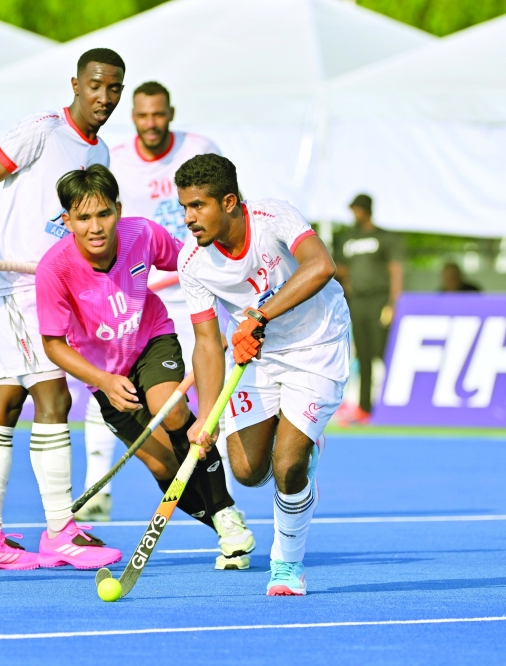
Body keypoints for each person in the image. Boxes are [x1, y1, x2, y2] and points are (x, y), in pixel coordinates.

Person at [0, 48, 126, 571]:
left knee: (4, 405)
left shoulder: (102, 158)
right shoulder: (43, 130)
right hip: (10, 286)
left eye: (114, 88)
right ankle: (59, 532)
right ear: (75, 83)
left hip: (47, 292)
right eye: (96, 85)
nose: (104, 97)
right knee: (53, 396)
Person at [37, 165, 255, 570]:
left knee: (171, 409)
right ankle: (226, 528)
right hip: (104, 374)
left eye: (104, 214)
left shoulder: (143, 234)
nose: (95, 227)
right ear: (66, 221)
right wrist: (101, 379)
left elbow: (194, 261)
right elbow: (52, 344)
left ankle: (224, 510)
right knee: (162, 466)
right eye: (83, 218)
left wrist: (234, 311)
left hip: (151, 340)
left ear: (118, 210)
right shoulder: (54, 269)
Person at [176, 154, 351, 596]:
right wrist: (206, 416)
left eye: (198, 206)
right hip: (258, 355)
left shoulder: (274, 218)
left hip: (318, 344)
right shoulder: (192, 261)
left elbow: (321, 266)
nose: (188, 218)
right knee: (249, 472)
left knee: (289, 465)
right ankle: (297, 434)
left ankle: (287, 567)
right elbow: (206, 341)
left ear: (229, 202)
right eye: (184, 207)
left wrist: (258, 314)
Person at [77, 80, 226, 523]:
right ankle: (97, 484)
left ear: (171, 113)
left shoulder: (199, 147)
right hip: (140, 299)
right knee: (106, 385)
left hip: (197, 291)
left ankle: (218, 488)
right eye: (142, 116)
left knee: (197, 396)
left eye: (158, 115)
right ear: (134, 117)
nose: (150, 124)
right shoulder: (116, 159)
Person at [332, 194, 402, 425]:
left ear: (367, 210)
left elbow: (395, 270)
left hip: (379, 300)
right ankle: (364, 407)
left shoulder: (383, 237)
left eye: (358, 209)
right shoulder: (348, 238)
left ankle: (396, 403)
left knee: (382, 352)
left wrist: (392, 303)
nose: (355, 213)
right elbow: (339, 267)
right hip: (357, 301)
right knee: (362, 354)